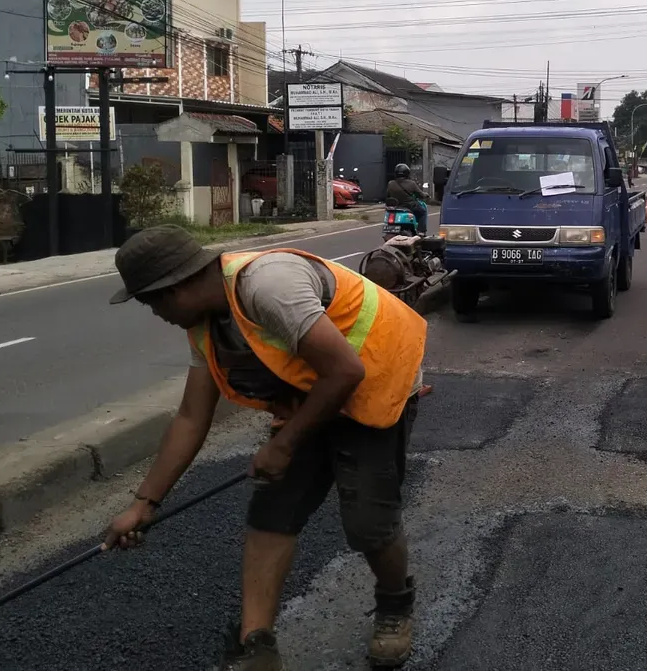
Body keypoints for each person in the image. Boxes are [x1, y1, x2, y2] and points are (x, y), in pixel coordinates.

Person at [103, 225, 427, 670]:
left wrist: (284, 443)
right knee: (272, 510)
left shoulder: (269, 285)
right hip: (317, 392)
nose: (153, 313)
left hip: (375, 381)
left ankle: (395, 606)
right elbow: (192, 418)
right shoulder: (204, 328)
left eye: (149, 300)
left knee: (369, 522)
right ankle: (256, 643)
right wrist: (145, 503)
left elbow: (345, 372)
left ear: (174, 288)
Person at [385, 164, 428, 234]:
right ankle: (421, 231)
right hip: (410, 207)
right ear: (407, 173)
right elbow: (421, 194)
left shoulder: (390, 183)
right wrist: (426, 195)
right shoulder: (411, 183)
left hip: (396, 207)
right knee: (423, 212)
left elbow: (387, 195)